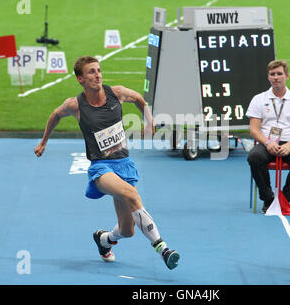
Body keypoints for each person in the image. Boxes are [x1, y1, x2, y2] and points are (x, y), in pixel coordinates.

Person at [34, 55, 180, 270]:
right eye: (91, 72)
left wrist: (149, 121)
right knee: (132, 194)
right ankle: (163, 248)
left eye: (99, 70)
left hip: (124, 164)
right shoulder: (75, 105)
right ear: (80, 79)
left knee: (127, 230)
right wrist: (44, 142)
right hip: (101, 169)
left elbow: (139, 99)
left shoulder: (116, 93)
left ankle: (104, 239)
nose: (98, 75)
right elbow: (55, 115)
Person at [246, 60, 290, 213]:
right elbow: (254, 130)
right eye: (272, 74)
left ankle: (285, 198)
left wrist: (289, 145)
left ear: (287, 76)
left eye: (279, 74)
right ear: (268, 77)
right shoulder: (258, 99)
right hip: (266, 143)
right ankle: (268, 198)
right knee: (254, 157)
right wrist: (268, 142)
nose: (276, 77)